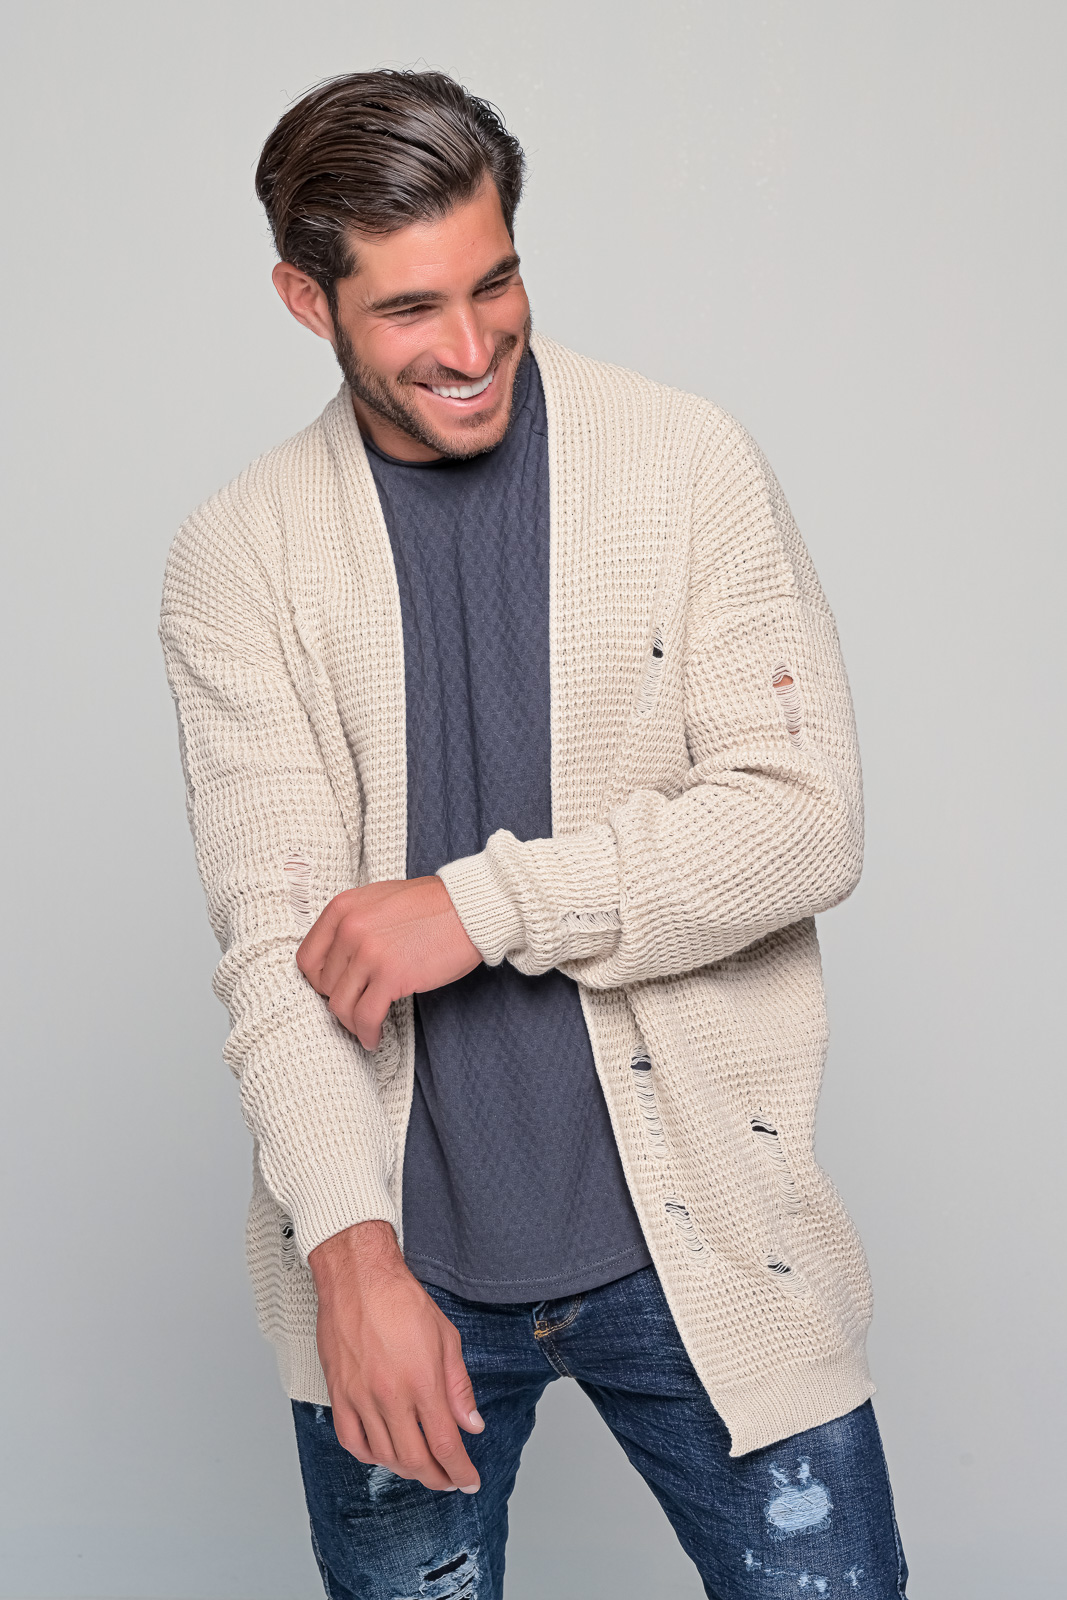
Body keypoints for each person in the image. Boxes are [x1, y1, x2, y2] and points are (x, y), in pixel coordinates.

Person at [160, 68, 908, 1600]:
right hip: (401, 1259)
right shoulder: (239, 558)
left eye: (493, 282)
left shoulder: (685, 463)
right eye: (408, 308)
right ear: (307, 301)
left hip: (707, 1246)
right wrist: (349, 1257)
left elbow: (804, 817)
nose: (468, 344)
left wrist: (477, 905)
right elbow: (275, 944)